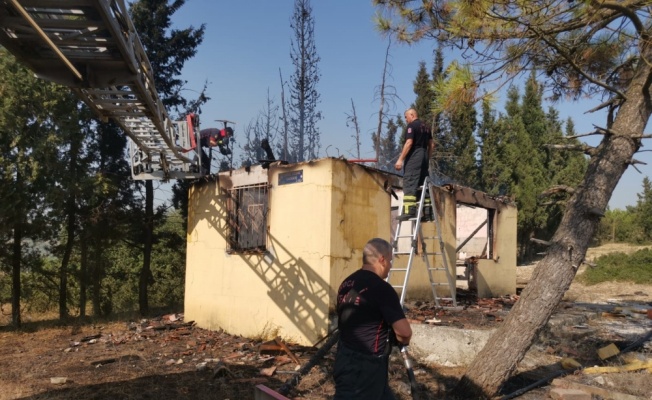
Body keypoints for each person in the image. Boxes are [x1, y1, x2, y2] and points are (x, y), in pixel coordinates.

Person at [334, 238, 412, 400]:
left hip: (344, 357)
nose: (390, 266)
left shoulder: (346, 284)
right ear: (382, 260)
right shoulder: (381, 288)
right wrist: (401, 339)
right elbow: (404, 332)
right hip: (366, 366)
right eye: (390, 261)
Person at [395, 108, 435, 221]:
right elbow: (432, 144)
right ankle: (428, 214)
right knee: (424, 185)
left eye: (406, 117)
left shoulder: (412, 126)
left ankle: (409, 211)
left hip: (415, 156)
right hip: (424, 156)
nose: (406, 120)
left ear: (412, 115)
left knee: (410, 182)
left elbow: (409, 142)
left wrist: (400, 160)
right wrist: (427, 158)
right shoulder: (426, 127)